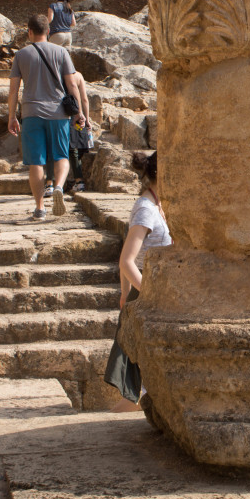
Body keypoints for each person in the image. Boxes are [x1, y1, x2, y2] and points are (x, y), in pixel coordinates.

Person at [105, 151, 171, 411]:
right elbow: (126, 260)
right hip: (149, 297)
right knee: (140, 388)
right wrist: (144, 294)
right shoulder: (145, 209)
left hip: (151, 296)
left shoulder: (157, 205)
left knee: (143, 386)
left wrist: (125, 292)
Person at [8, 13, 84, 220]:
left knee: (36, 163)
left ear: (30, 32)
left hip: (31, 113)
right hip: (58, 113)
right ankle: (58, 187)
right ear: (48, 31)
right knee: (61, 156)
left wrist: (12, 117)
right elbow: (72, 85)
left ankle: (40, 207)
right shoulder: (61, 52)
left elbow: (13, 90)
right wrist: (79, 113)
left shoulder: (21, 55)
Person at [44, 68, 91, 197]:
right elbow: (84, 99)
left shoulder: (54, 73)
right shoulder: (78, 75)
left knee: (52, 149)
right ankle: (79, 181)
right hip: (74, 114)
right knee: (73, 149)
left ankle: (50, 184)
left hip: (56, 114)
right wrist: (86, 119)